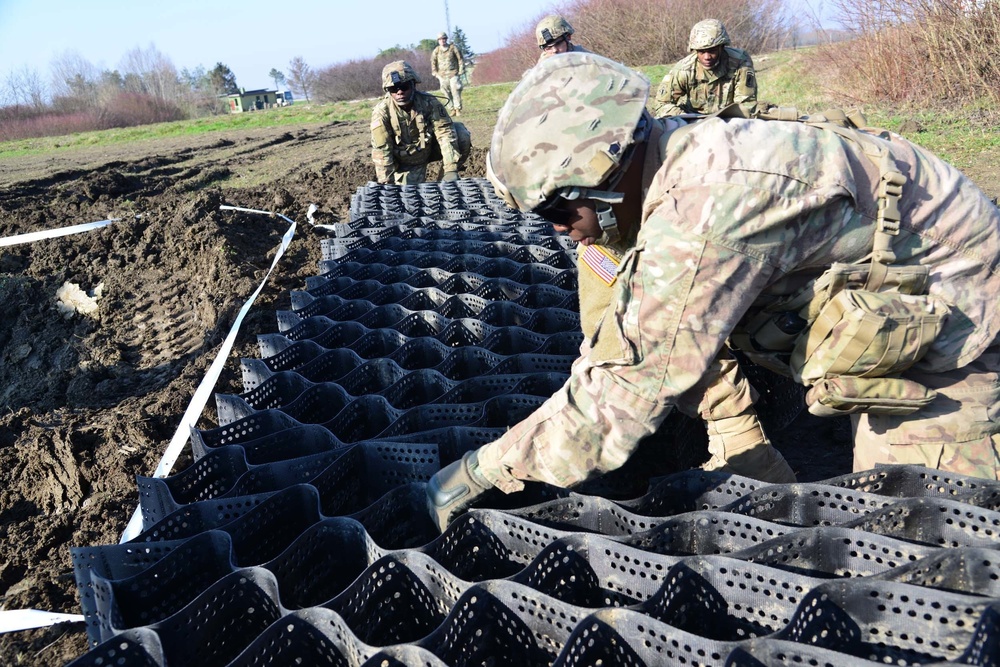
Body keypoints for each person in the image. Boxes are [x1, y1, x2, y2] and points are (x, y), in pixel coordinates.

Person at [426, 52, 1000, 531]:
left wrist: (483, 471)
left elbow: (627, 387)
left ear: (607, 169)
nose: (554, 226)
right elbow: (625, 335)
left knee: (917, 525)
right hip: (885, 284)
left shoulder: (702, 210)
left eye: (558, 205)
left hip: (958, 307)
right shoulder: (659, 163)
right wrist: (737, 433)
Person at [370, 60, 471, 185]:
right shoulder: (381, 113)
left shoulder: (429, 102)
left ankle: (445, 181)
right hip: (404, 162)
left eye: (404, 87)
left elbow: (445, 132)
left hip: (429, 150)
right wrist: (387, 185)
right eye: (393, 89)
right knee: (410, 196)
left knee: (461, 135)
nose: (399, 92)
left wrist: (450, 170)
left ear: (413, 85)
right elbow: (382, 151)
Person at [653, 18, 757, 117]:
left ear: (722, 47)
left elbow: (746, 105)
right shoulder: (683, 69)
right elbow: (662, 104)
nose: (706, 57)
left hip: (728, 120)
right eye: (701, 52)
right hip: (692, 121)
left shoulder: (740, 62)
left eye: (712, 51)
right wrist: (684, 117)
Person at [431, 31, 465, 116]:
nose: (442, 40)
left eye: (444, 38)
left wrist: (461, 70)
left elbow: (460, 59)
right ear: (438, 40)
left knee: (455, 90)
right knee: (446, 92)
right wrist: (435, 73)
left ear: (446, 39)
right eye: (440, 39)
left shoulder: (453, 48)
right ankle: (452, 109)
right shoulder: (436, 50)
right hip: (442, 75)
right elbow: (433, 62)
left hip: (453, 73)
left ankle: (457, 108)